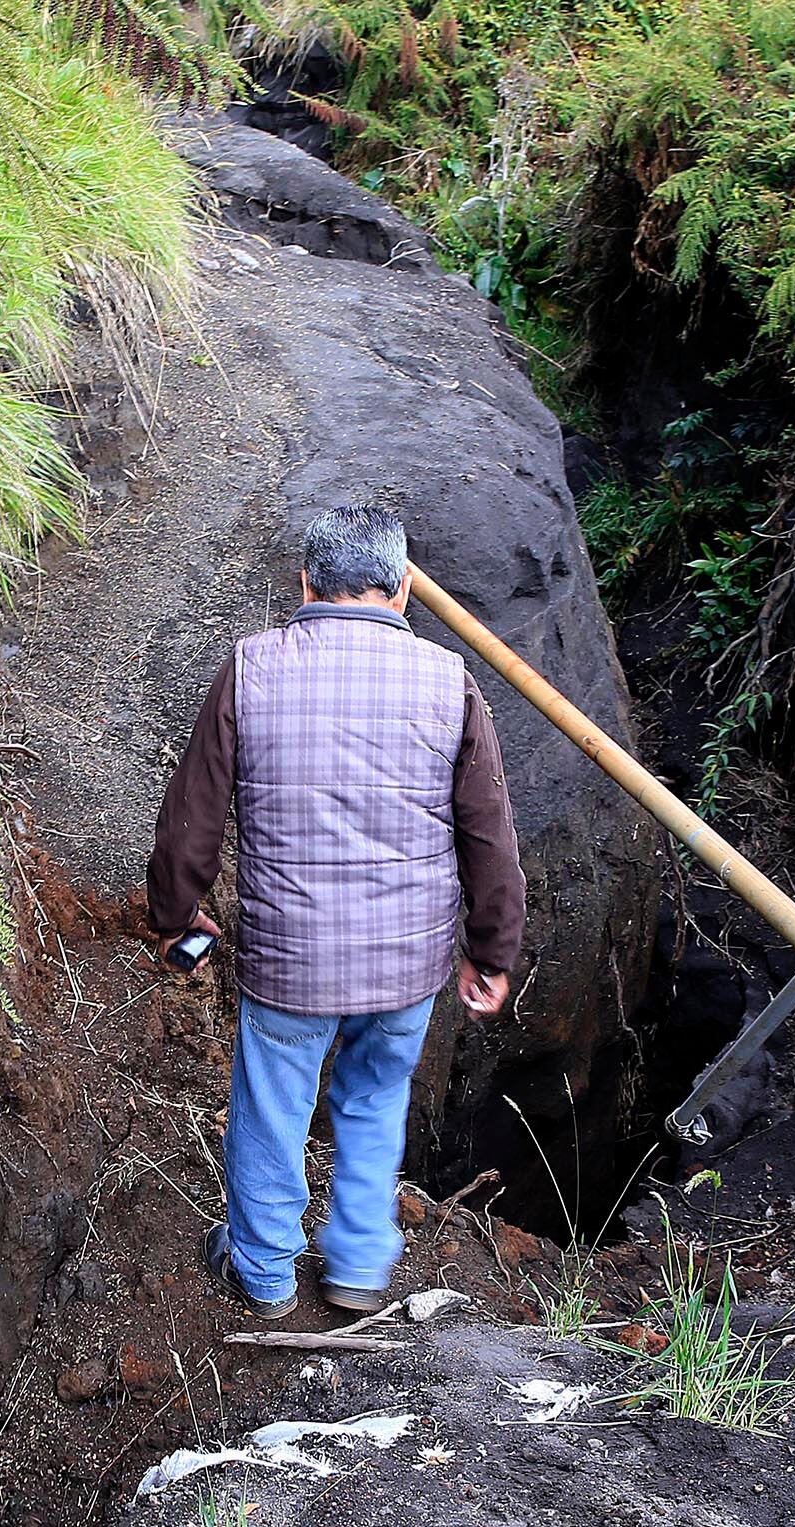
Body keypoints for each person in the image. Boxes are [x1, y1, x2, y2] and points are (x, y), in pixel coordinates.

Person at [146, 503, 527, 1317]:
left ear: (306, 583)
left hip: (290, 960)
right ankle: (356, 1264)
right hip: (406, 967)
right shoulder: (448, 680)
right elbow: (489, 835)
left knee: (272, 1108)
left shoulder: (252, 667)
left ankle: (264, 1273)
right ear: (402, 590)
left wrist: (176, 914)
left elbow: (192, 818)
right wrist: (492, 952)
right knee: (376, 1098)